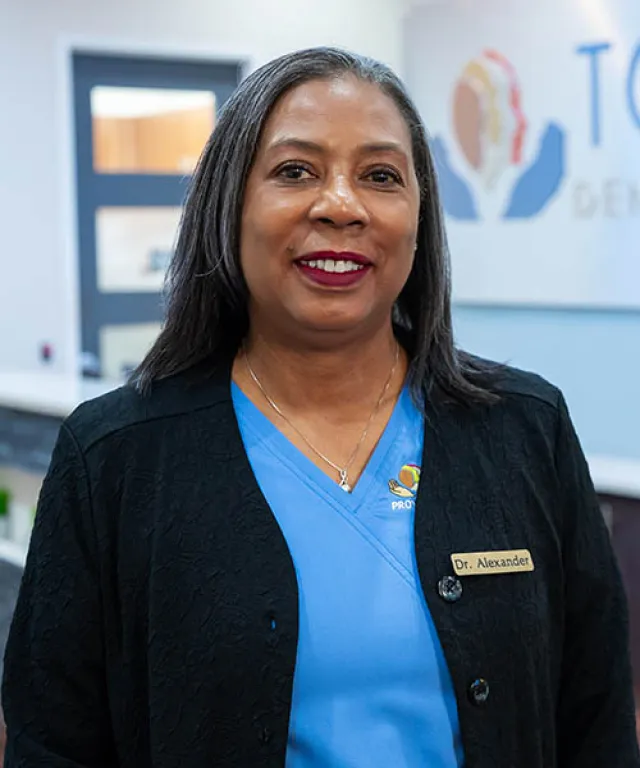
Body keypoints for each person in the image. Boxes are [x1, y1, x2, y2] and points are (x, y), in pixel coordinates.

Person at [2, 47, 638, 768]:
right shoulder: (114, 459)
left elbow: (599, 721)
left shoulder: (526, 429)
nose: (340, 205)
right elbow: (53, 744)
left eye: (380, 176)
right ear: (230, 205)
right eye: (295, 171)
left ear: (420, 218)